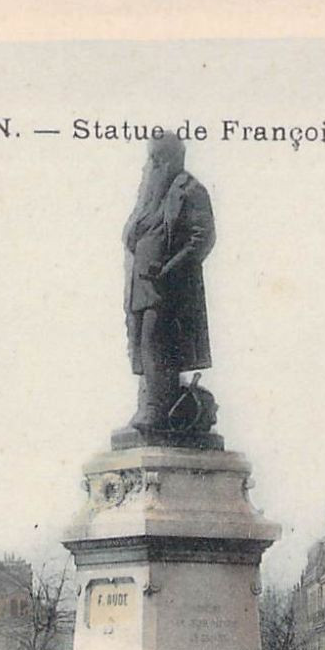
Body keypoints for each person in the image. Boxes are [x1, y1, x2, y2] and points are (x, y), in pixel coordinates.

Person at [122, 135, 215, 431]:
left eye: (160, 158)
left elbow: (202, 238)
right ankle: (151, 404)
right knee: (142, 345)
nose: (155, 164)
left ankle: (158, 410)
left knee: (156, 341)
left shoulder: (191, 190)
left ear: (175, 158)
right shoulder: (147, 197)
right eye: (153, 158)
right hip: (142, 285)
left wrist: (168, 268)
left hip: (170, 287)